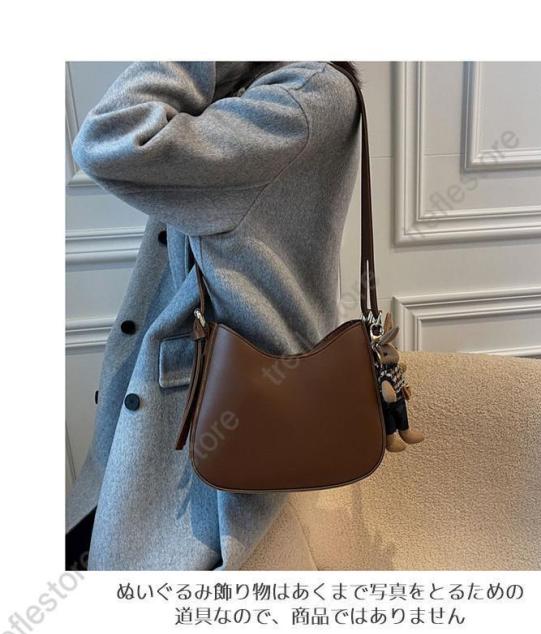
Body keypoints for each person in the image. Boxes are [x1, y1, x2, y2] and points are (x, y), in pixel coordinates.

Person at [66, 61, 362, 570]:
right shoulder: (268, 88)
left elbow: (110, 138)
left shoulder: (301, 98)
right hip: (197, 392)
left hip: (216, 407)